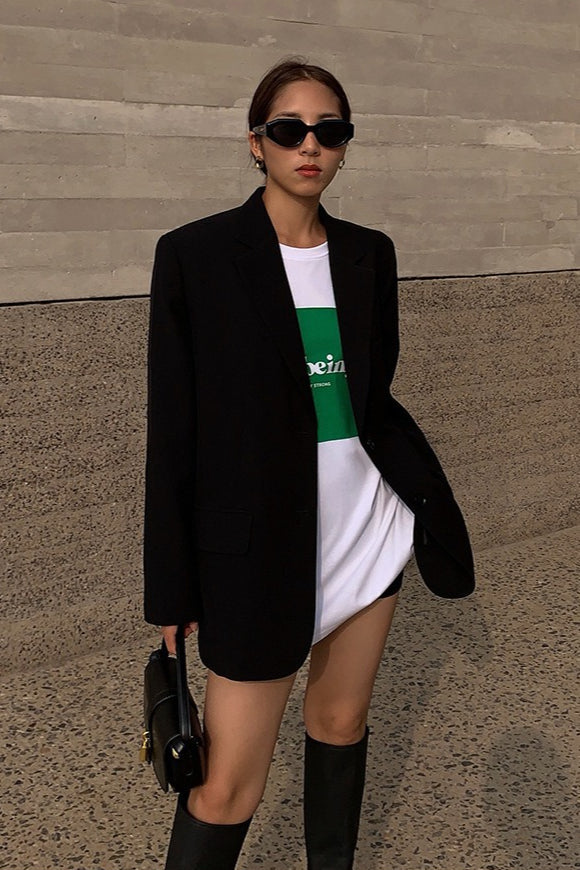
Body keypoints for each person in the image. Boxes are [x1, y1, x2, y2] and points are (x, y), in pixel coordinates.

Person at [144, 57, 475, 870]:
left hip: (365, 531)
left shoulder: (369, 254)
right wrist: (173, 587)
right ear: (256, 142)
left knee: (339, 723)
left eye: (330, 131)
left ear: (345, 145)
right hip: (257, 550)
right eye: (290, 129)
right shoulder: (196, 255)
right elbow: (174, 430)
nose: (310, 146)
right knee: (225, 786)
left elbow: (372, 395)